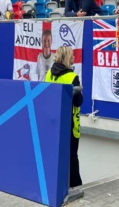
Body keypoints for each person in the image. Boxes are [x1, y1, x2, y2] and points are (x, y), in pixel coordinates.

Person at [45, 45, 83, 188]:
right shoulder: (72, 77)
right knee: (72, 157)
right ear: (67, 58)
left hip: (53, 122)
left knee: (56, 156)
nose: (74, 58)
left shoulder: (49, 74)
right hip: (70, 125)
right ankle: (75, 187)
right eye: (72, 56)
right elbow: (78, 101)